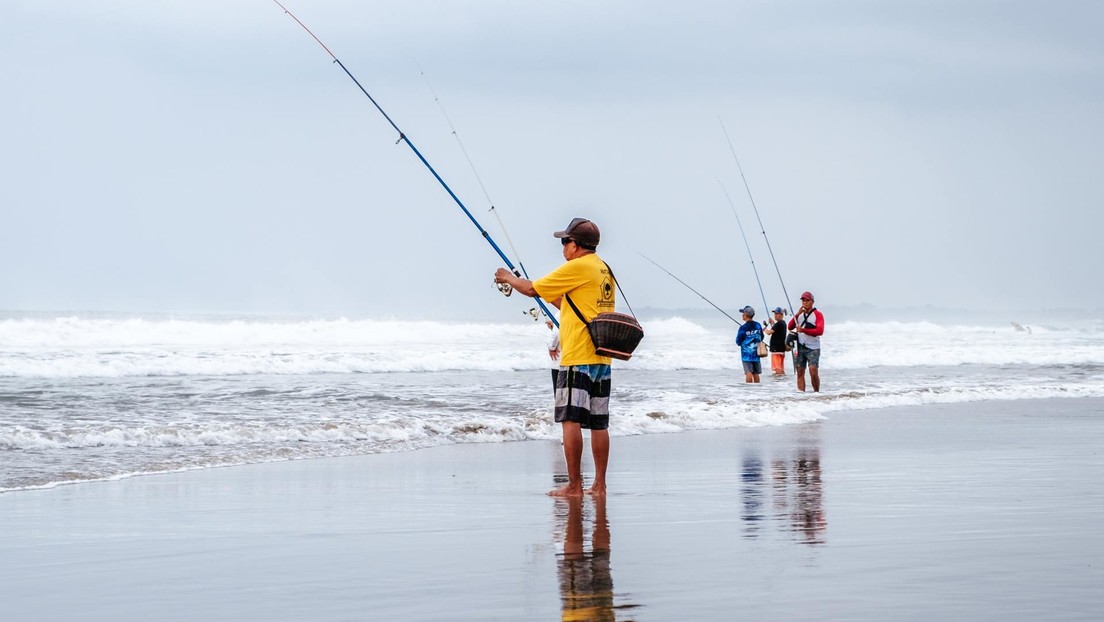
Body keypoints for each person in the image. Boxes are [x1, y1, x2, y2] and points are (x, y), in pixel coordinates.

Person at [494, 217, 614, 497]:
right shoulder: (603, 269)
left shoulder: (578, 266)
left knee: (570, 420)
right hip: (601, 357)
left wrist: (508, 277)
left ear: (576, 245)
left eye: (565, 242)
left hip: (576, 356)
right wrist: (552, 296)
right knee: (599, 423)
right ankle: (599, 485)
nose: (562, 248)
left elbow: (532, 288)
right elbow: (573, 305)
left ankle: (574, 486)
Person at [787, 291, 825, 392]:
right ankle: (801, 394)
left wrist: (803, 330)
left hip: (813, 347)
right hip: (800, 346)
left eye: (807, 300)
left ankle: (816, 392)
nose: (805, 302)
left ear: (812, 302)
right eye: (803, 300)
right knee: (800, 372)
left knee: (813, 371)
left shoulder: (818, 315)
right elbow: (790, 326)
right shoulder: (799, 315)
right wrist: (797, 314)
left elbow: (820, 331)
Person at [735, 305, 763, 384]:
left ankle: (749, 391)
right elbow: (762, 337)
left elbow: (738, 341)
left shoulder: (743, 328)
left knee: (748, 372)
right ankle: (758, 389)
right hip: (756, 353)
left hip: (746, 355)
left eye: (743, 313)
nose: (742, 315)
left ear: (746, 315)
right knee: (756, 373)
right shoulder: (758, 325)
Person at [763, 307, 788, 376]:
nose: (775, 315)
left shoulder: (779, 324)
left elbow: (768, 332)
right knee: (781, 368)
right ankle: (782, 383)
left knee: (777, 369)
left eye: (777, 314)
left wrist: (764, 329)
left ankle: (779, 383)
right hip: (781, 349)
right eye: (775, 314)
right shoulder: (783, 323)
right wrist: (773, 323)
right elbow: (776, 329)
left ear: (781, 314)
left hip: (776, 350)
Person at [545, 318, 561, 392]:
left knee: (559, 394)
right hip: (580, 361)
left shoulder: (561, 313)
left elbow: (555, 334)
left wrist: (551, 348)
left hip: (560, 361)